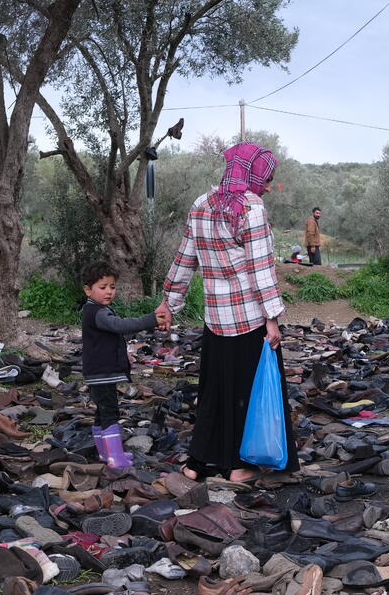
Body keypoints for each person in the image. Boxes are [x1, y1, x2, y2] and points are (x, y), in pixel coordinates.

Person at [156, 141, 299, 483]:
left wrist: (168, 302)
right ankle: (239, 465)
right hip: (249, 320)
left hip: (215, 320)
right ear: (249, 173)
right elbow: (260, 268)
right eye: (265, 177)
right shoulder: (251, 208)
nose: (266, 185)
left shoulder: (200, 205)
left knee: (214, 392)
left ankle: (197, 464)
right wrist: (272, 318)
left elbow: (184, 259)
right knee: (248, 393)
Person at [81, 260, 164, 431]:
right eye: (103, 287)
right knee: (110, 414)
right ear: (88, 290)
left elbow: (115, 334)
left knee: (102, 413)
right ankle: (115, 456)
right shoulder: (97, 312)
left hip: (99, 372)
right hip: (101, 373)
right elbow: (120, 326)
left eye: (112, 287)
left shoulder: (94, 309)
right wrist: (151, 319)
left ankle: (104, 451)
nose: (109, 292)